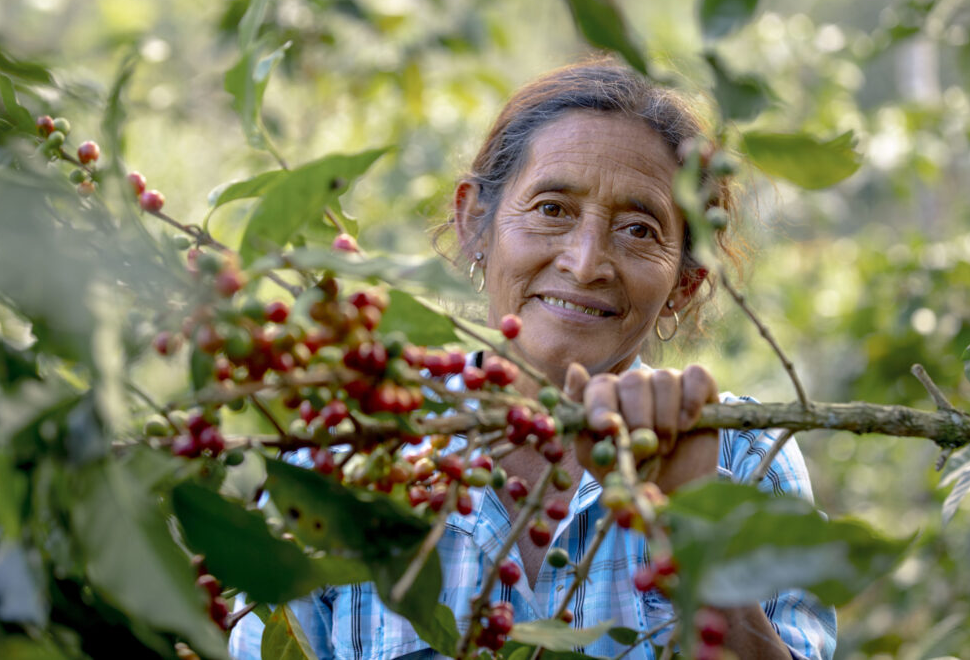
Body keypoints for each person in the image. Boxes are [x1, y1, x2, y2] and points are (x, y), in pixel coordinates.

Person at [230, 60, 837, 659]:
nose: (585, 261)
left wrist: (693, 528)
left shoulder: (748, 455)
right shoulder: (347, 451)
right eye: (552, 209)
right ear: (476, 223)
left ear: (685, 281)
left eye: (638, 229)